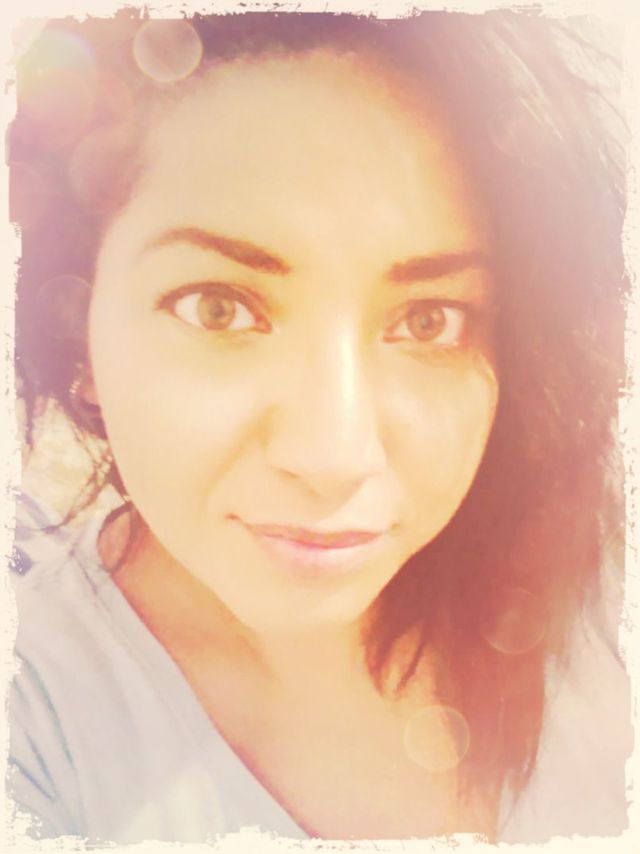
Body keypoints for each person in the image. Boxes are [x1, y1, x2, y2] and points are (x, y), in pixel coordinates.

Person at [7, 9, 631, 845]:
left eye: (430, 320)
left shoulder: (597, 574)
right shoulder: (34, 725)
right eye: (218, 308)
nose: (333, 457)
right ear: (75, 329)